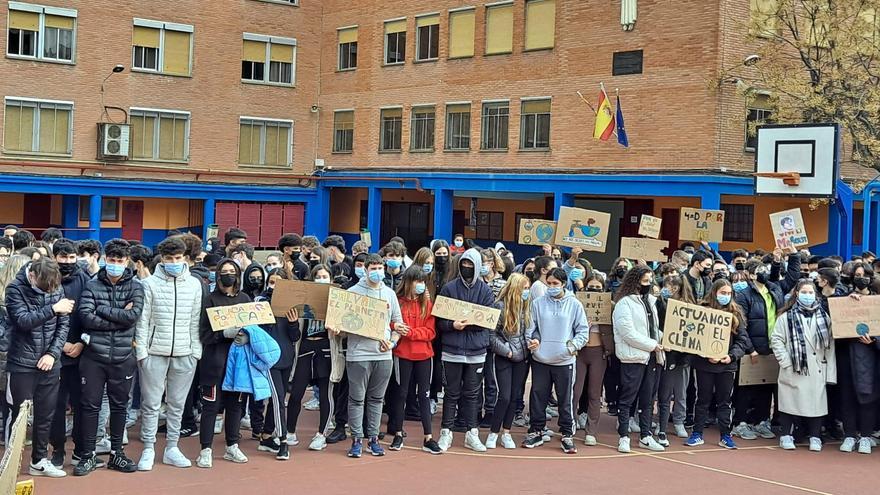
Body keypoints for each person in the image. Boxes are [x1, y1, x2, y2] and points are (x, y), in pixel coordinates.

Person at [74, 239, 144, 475]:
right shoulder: (92, 285)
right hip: (94, 356)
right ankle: (87, 455)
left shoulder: (136, 287)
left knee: (119, 406)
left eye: (120, 261)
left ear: (127, 262)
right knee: (89, 406)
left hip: (124, 356)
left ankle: (117, 454)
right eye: (111, 260)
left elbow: (133, 316)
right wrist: (117, 316)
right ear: (105, 259)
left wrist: (102, 311)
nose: (115, 264)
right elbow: (85, 317)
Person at [135, 237, 203, 471]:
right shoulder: (149, 284)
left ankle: (172, 447)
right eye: (168, 259)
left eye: (177, 258)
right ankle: (148, 448)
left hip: (185, 353)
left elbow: (195, 320)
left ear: (185, 258)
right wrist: (142, 352)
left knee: (177, 404)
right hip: (154, 352)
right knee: (151, 404)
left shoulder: (195, 284)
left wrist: (196, 351)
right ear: (161, 259)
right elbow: (143, 321)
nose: (173, 262)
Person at [330, 254, 404, 459]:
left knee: (377, 399)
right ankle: (356, 439)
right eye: (373, 267)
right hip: (358, 355)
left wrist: (392, 342)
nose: (377, 271)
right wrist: (337, 329)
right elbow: (343, 326)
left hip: (383, 355)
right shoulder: (352, 293)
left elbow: (398, 324)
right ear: (366, 269)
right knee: (356, 399)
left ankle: (373, 439)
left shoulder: (389, 294)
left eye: (380, 267)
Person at [7, 257, 72, 478]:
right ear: (32, 275)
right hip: (22, 362)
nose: (48, 291)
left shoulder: (55, 285)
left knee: (46, 414)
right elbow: (22, 321)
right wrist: (53, 308)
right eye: (43, 287)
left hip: (50, 362)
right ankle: (10, 463)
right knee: (19, 416)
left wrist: (53, 354)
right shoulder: (15, 288)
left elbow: (64, 326)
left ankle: (39, 461)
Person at [522, 268, 589, 454]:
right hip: (541, 358)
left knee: (565, 398)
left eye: (555, 283)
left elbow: (583, 331)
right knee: (538, 396)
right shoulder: (537, 303)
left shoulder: (574, 304)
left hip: (564, 360)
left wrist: (571, 347)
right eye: (548, 283)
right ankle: (536, 430)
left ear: (564, 283)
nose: (551, 287)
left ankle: (567, 434)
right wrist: (533, 341)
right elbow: (531, 327)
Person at [436, 248, 496, 453]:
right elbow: (440, 321)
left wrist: (468, 324)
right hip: (452, 350)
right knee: (451, 393)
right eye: (464, 264)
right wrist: (452, 325)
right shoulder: (449, 288)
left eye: (471, 265)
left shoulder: (486, 291)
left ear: (478, 266)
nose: (467, 268)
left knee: (472, 393)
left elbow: (487, 320)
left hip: (476, 351)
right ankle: (446, 432)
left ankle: (472, 433)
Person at [196, 258, 251, 468]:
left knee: (235, 406)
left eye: (232, 271)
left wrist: (248, 336)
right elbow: (204, 334)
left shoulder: (245, 299)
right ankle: (205, 449)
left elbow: (255, 328)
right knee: (210, 407)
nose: (228, 275)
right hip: (214, 364)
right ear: (218, 275)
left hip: (238, 364)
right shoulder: (210, 300)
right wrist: (223, 334)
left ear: (237, 275)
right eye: (224, 271)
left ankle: (232, 446)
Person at [770, 280, 835, 452]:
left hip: (817, 368)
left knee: (816, 404)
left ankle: (815, 436)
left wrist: (830, 372)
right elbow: (776, 339)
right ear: (797, 294)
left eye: (811, 292)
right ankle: (786, 435)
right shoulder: (786, 316)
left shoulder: (824, 317)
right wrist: (785, 361)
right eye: (804, 292)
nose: (808, 295)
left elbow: (830, 345)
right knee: (789, 403)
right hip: (795, 366)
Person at [685, 280, 750, 450]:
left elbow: (742, 341)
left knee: (724, 401)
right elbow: (693, 337)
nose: (726, 296)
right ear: (714, 292)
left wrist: (730, 356)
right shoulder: (703, 310)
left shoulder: (736, 314)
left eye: (729, 293)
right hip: (704, 364)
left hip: (726, 366)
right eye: (723, 293)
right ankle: (697, 433)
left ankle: (725, 435)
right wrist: (706, 354)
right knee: (703, 400)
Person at [732, 258, 787, 441]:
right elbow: (742, 325)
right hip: (753, 349)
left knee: (766, 387)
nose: (763, 273)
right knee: (746, 387)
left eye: (766, 269)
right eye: (759, 270)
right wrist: (750, 348)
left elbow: (791, 279)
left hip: (771, 346)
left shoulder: (774, 290)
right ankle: (740, 423)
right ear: (751, 274)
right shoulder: (744, 295)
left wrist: (784, 259)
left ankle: (761, 421)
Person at [49, 239, 93, 468]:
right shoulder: (47, 278)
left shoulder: (87, 281)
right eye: (62, 257)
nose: (67, 262)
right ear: (54, 257)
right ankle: (56, 449)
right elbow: (42, 316)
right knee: (55, 406)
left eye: (71, 258)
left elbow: (91, 316)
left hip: (82, 354)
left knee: (82, 403)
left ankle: (80, 449)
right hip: (53, 354)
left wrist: (81, 344)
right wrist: (61, 345)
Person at [388, 267, 441, 454]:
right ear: (409, 282)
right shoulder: (398, 301)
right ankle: (398, 433)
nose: (420, 285)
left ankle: (428, 437)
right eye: (417, 281)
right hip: (402, 354)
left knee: (424, 395)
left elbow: (431, 332)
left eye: (423, 281)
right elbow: (390, 321)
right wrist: (396, 326)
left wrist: (410, 332)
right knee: (401, 393)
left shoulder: (428, 304)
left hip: (424, 355)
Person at [283, 265, 336, 452]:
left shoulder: (336, 300)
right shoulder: (304, 301)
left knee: (325, 394)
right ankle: (289, 432)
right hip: (305, 347)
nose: (321, 279)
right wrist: (291, 322)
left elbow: (344, 330)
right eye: (318, 277)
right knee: (296, 392)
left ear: (330, 279)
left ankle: (321, 434)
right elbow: (295, 335)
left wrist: (337, 330)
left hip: (326, 348)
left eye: (325, 276)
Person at [612, 266, 664, 453]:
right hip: (633, 357)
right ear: (635, 282)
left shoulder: (651, 301)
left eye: (650, 281)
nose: (648, 284)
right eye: (644, 281)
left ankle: (646, 435)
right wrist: (652, 344)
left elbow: (652, 328)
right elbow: (628, 333)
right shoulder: (623, 304)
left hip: (651, 357)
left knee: (648, 399)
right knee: (627, 398)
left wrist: (665, 338)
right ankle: (624, 436)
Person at [254, 269, 300, 460]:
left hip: (287, 357)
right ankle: (282, 440)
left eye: (278, 282)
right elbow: (256, 332)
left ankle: (266, 435)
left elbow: (295, 337)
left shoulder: (290, 306)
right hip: (269, 360)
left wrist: (293, 323)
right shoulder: (260, 303)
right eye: (271, 282)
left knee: (278, 399)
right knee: (278, 399)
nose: (274, 286)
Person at [835, 262, 879, 454]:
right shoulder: (844, 299)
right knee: (847, 396)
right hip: (847, 356)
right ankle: (849, 435)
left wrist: (874, 340)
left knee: (869, 397)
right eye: (858, 275)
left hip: (872, 358)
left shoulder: (877, 302)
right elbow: (836, 327)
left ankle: (866, 436)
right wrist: (848, 304)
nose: (861, 278)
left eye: (865, 275)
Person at [487, 273, 530, 450]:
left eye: (528, 289)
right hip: (505, 357)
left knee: (514, 397)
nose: (526, 292)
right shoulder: (500, 306)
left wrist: (532, 343)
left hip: (523, 357)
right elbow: (491, 335)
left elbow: (531, 331)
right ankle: (493, 432)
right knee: (504, 396)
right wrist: (507, 351)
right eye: (524, 289)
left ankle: (506, 432)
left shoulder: (527, 307)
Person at [655, 275, 696, 444]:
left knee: (681, 390)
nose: (667, 289)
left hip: (683, 355)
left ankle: (679, 421)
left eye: (671, 287)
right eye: (665, 286)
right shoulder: (661, 303)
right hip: (666, 352)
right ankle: (661, 421)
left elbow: (694, 328)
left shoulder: (689, 306)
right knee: (664, 390)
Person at [572, 274, 613, 446]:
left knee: (594, 394)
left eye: (598, 287)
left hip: (598, 353)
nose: (594, 290)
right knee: (575, 391)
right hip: (580, 352)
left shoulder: (609, 306)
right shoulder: (577, 303)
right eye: (591, 286)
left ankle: (591, 431)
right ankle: (570, 424)